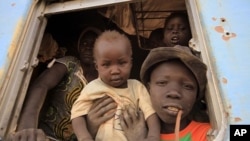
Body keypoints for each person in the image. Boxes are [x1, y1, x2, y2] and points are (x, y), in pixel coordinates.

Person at [9, 27, 106, 141]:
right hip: (44, 136)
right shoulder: (70, 64)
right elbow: (41, 85)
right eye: (84, 43)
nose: (88, 47)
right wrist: (27, 126)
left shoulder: (104, 84)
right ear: (79, 47)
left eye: (93, 43)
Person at [71, 30, 160, 141]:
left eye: (122, 63)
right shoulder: (92, 88)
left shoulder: (137, 87)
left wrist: (153, 136)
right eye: (106, 64)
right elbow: (77, 115)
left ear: (131, 62)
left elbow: (151, 114)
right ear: (97, 66)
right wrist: (84, 137)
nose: (115, 70)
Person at [120, 45, 211, 141]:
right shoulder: (127, 129)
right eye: (162, 83)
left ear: (196, 96)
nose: (174, 93)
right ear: (148, 89)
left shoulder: (208, 134)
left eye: (188, 86)